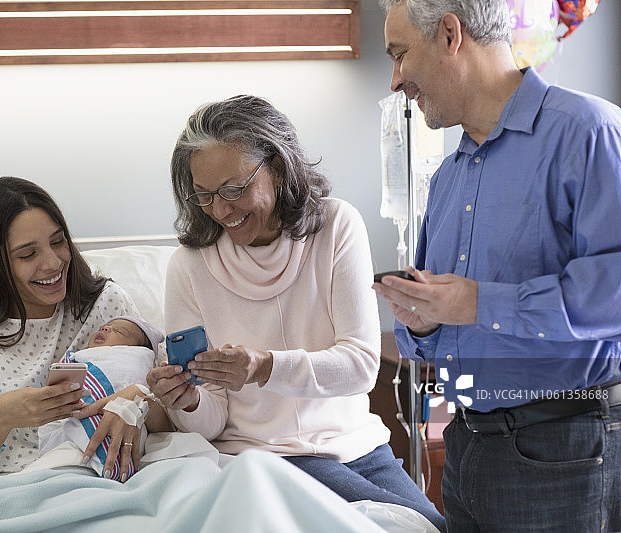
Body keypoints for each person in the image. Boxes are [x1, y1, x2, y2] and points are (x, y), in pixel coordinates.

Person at [146, 95, 445, 531]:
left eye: (235, 189)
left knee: (430, 524)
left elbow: (361, 366)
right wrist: (188, 401)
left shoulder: (337, 226)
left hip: (358, 447)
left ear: (279, 168)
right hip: (260, 456)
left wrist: (264, 366)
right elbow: (211, 420)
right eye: (205, 195)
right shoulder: (190, 267)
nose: (222, 210)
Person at [375, 1, 621, 531]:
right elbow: (439, 324)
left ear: (448, 35)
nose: (396, 80)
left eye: (399, 55)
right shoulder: (445, 182)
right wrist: (424, 321)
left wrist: (480, 303)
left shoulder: (588, 133)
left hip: (562, 452)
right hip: (467, 445)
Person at [0, 177, 170, 481]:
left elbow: (174, 416)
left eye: (58, 242)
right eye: (28, 254)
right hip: (26, 492)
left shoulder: (106, 308)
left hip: (117, 483)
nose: (53, 262)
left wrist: (137, 402)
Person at [39, 316, 168, 481]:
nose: (105, 329)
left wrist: (138, 396)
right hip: (67, 446)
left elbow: (135, 386)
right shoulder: (77, 361)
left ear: (138, 349)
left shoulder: (135, 361)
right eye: (104, 327)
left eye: (120, 331)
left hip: (120, 445)